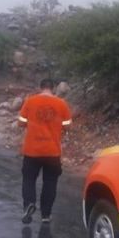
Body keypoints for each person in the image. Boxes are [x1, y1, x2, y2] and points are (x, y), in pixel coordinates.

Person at [18, 79, 72, 224]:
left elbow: (21, 122)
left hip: (32, 151)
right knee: (50, 183)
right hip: (52, 151)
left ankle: (29, 204)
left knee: (29, 180)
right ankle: (46, 215)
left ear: (40, 87)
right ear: (53, 88)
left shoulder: (30, 101)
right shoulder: (61, 104)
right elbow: (67, 126)